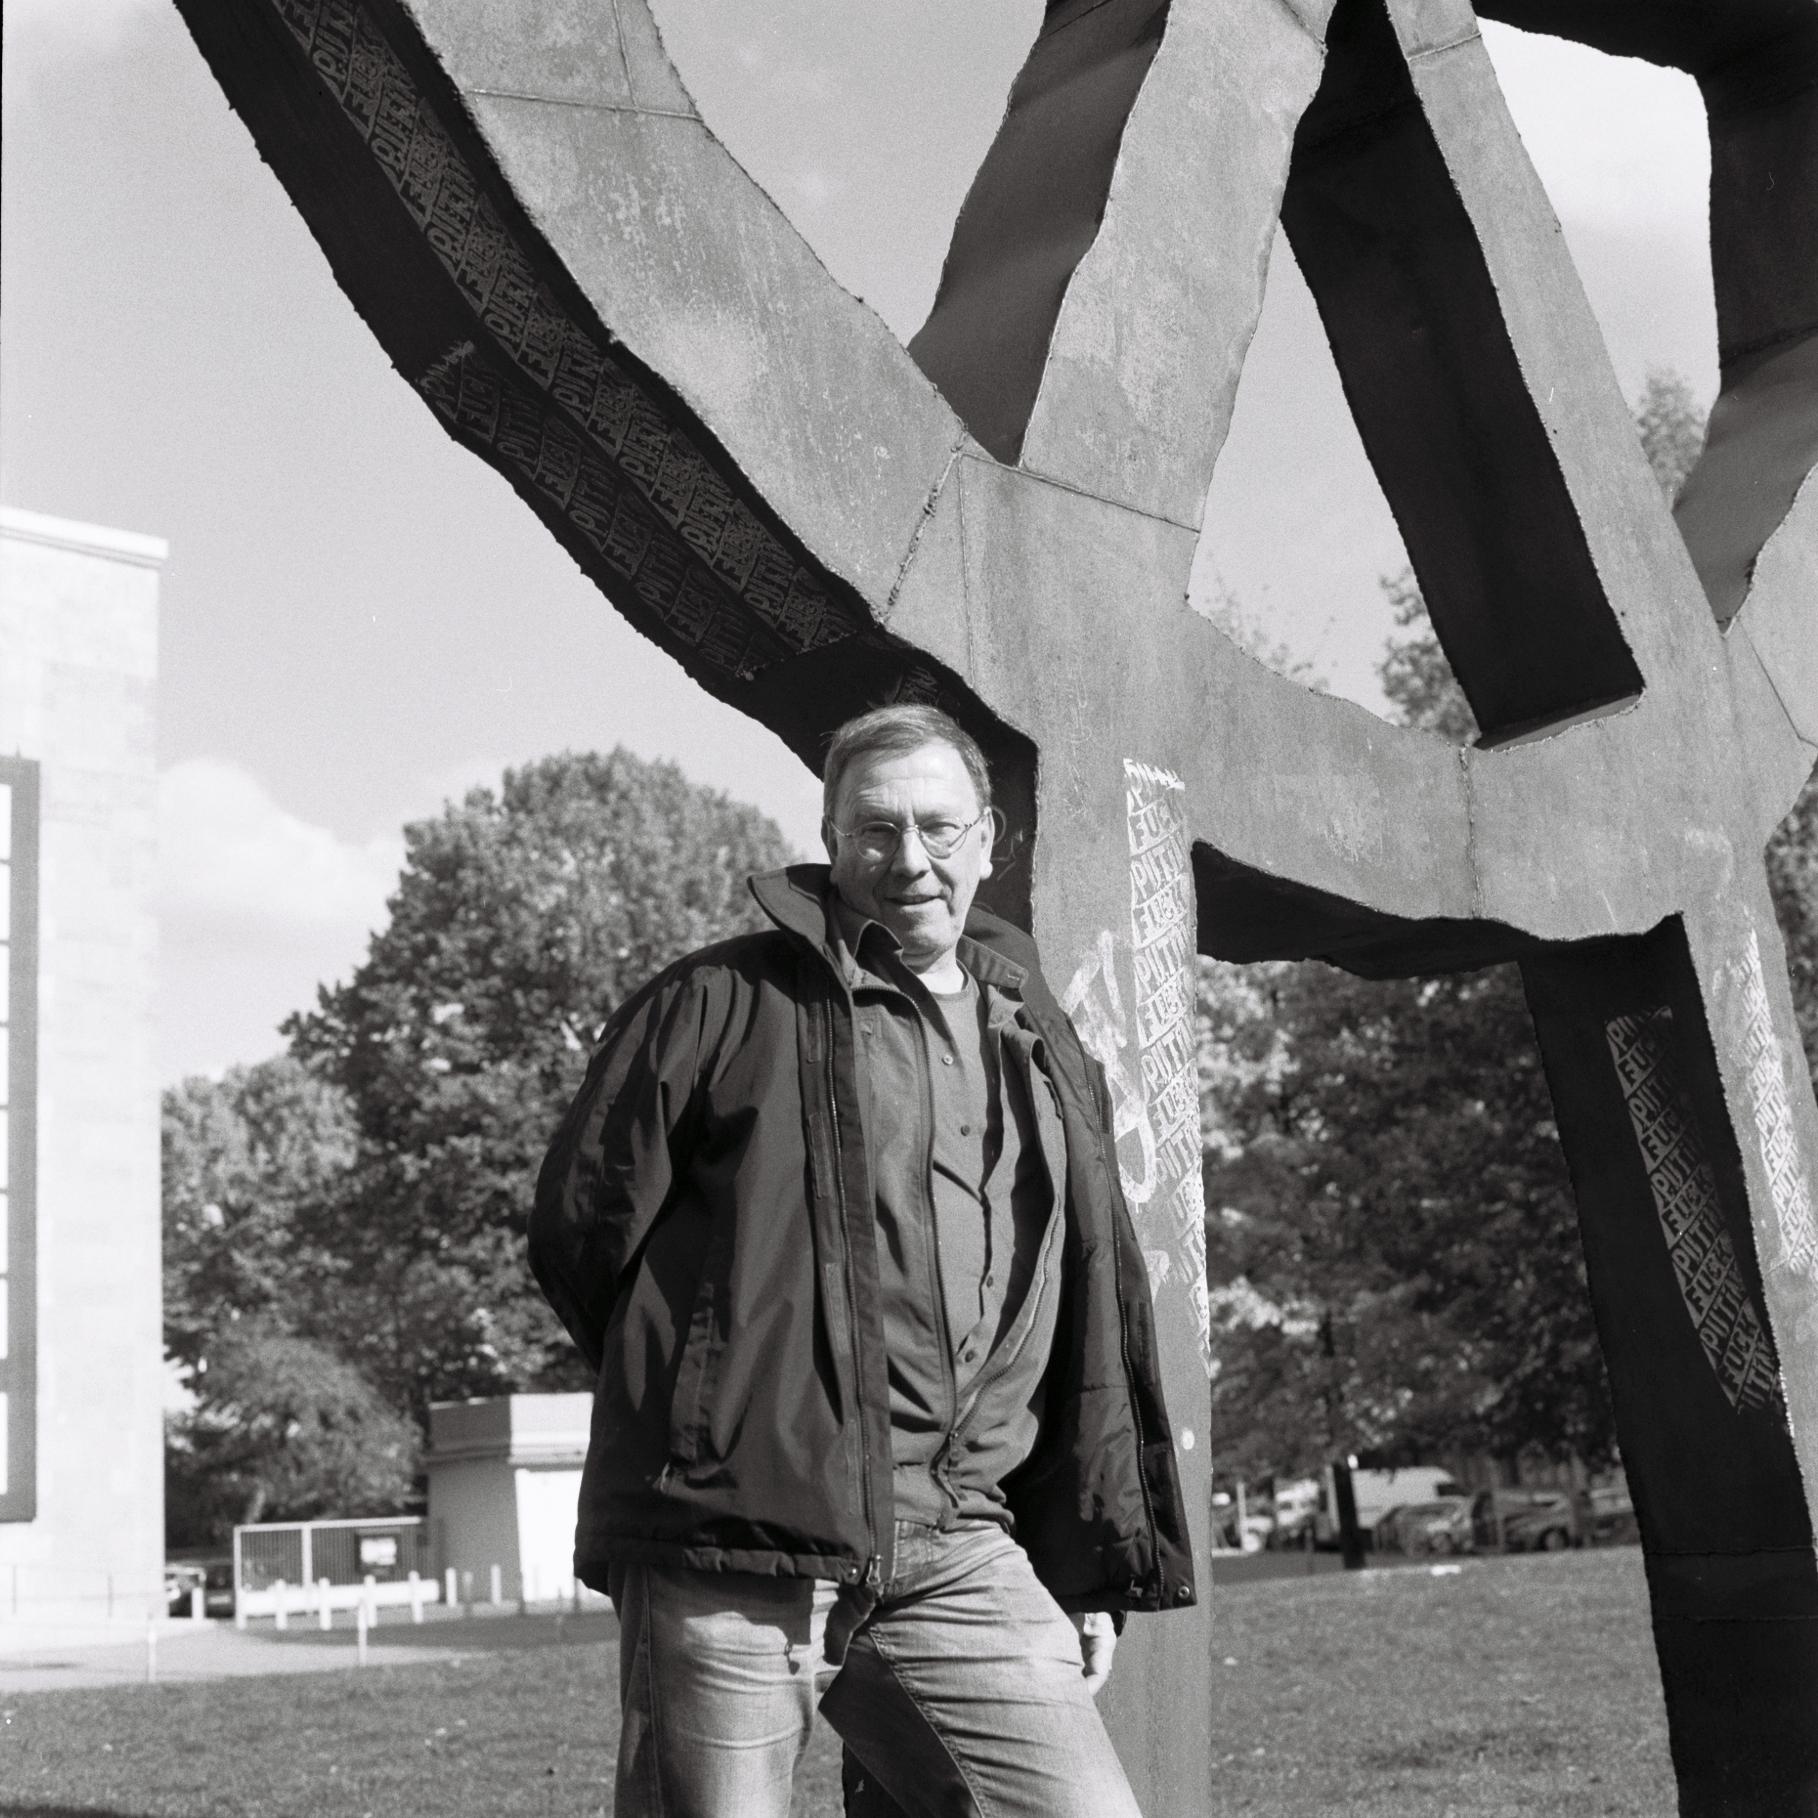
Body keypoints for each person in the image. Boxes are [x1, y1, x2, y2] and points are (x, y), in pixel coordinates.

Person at [530, 704, 1195, 1818]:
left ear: (991, 841)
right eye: (876, 829)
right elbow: (580, 1234)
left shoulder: (1037, 1033)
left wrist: (1081, 1564)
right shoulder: (717, 1002)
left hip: (962, 1542)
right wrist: (723, 1409)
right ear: (830, 837)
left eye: (939, 828)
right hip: (735, 1548)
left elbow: (1073, 1305)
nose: (911, 861)